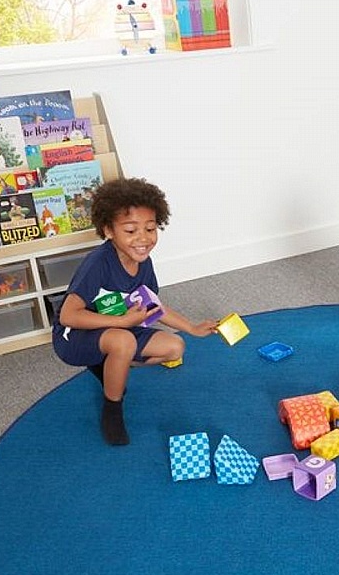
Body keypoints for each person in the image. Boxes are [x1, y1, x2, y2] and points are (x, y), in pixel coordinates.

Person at [53, 177, 218, 446]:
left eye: (150, 229)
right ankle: (112, 409)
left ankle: (110, 362)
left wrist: (191, 328)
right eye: (130, 231)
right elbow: (68, 316)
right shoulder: (98, 263)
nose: (143, 238)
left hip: (119, 327)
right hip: (75, 336)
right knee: (124, 340)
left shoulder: (144, 261)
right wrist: (125, 320)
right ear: (108, 231)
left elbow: (152, 305)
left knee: (175, 347)